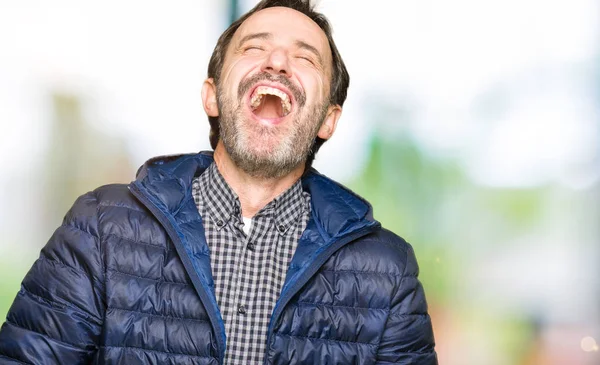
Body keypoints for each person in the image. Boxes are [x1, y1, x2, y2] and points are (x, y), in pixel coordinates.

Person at [0, 0, 437, 364]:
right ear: (212, 95)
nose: (278, 62)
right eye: (254, 48)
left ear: (328, 119)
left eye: (305, 58)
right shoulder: (99, 229)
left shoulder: (389, 272)